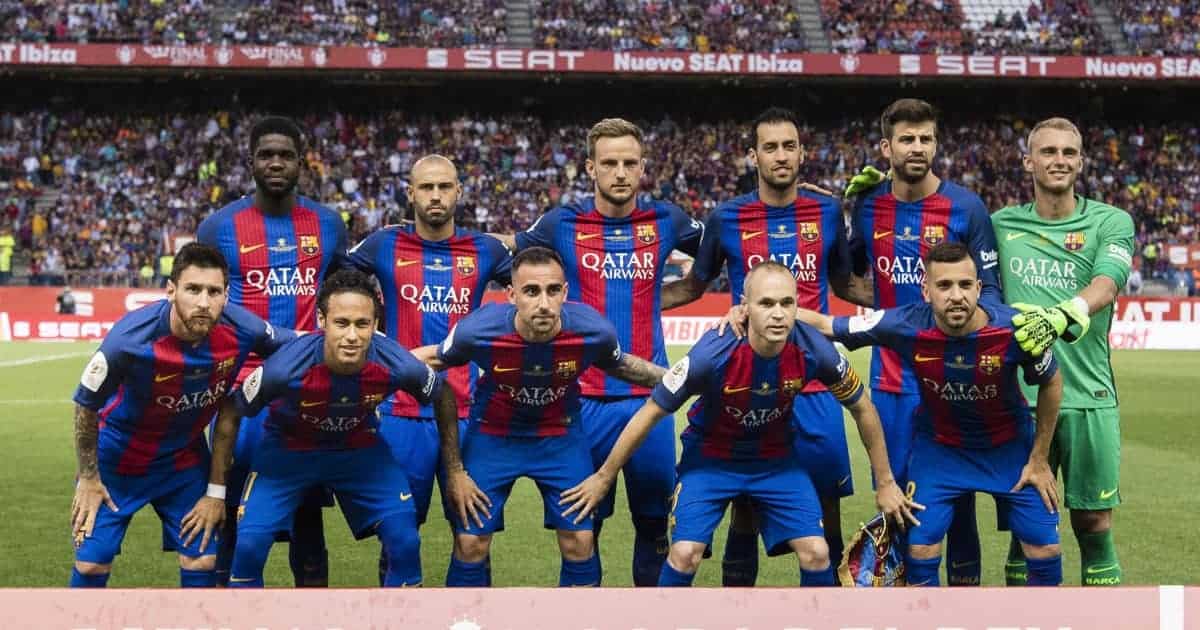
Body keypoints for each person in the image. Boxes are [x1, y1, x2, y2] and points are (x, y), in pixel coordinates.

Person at [562, 261, 916, 587]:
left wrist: (885, 482)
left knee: (817, 552)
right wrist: (604, 476)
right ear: (745, 306)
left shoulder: (815, 349)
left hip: (776, 462)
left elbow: (863, 407)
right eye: (766, 304)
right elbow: (652, 411)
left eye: (787, 303)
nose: (778, 314)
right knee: (684, 554)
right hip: (710, 461)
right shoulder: (712, 353)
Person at [496, 119, 703, 585]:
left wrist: (661, 297)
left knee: (654, 526)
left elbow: (723, 249)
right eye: (609, 163)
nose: (620, 173)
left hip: (651, 400)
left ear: (643, 167)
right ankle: (585, 613)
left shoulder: (667, 221)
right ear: (590, 168)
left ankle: (650, 614)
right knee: (581, 528)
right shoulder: (561, 223)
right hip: (581, 401)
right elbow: (507, 252)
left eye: (630, 163)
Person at [661, 107, 863, 585]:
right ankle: (741, 609)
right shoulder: (726, 217)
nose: (780, 155)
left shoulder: (827, 212)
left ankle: (829, 609)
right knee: (745, 509)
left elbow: (847, 285)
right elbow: (693, 286)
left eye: (789, 146)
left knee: (826, 511)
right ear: (753, 156)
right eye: (770, 147)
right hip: (749, 379)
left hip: (815, 380)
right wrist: (626, 300)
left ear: (802, 153)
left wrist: (914, 306)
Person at [798, 242, 1065, 586]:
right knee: (921, 548)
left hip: (1009, 450)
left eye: (965, 285)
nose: (956, 296)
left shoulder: (1015, 328)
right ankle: (927, 613)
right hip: (940, 450)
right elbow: (828, 324)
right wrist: (754, 311)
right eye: (944, 286)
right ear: (926, 290)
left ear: (979, 288)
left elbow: (1052, 381)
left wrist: (1040, 458)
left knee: (1045, 550)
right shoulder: (904, 323)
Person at [424, 246, 667, 587]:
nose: (543, 303)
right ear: (511, 295)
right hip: (493, 437)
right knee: (470, 543)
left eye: (553, 291)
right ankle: (466, 614)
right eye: (531, 291)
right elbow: (432, 359)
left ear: (565, 292)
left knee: (580, 541)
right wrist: (376, 364)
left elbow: (624, 366)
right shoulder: (477, 330)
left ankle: (576, 615)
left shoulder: (593, 330)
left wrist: (688, 377)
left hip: (560, 437)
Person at [68, 243, 293, 588]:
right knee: (90, 565)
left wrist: (371, 343)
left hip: (182, 461)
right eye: (193, 289)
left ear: (226, 295)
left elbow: (299, 345)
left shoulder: (243, 328)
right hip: (117, 459)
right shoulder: (128, 340)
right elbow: (86, 403)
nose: (203, 302)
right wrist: (88, 477)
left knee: (202, 558)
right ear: (171, 290)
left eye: (213, 292)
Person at [843, 98, 1002, 586]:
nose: (917, 147)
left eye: (926, 138)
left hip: (953, 384)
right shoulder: (869, 206)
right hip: (890, 384)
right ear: (886, 146)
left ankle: (965, 604)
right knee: (895, 501)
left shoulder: (967, 208)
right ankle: (903, 602)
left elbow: (991, 294)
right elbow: (848, 277)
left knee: (958, 502)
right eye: (907, 139)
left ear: (936, 144)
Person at [223, 269, 451, 587]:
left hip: (359, 449)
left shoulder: (397, 363)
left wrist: (456, 471)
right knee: (249, 545)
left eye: (362, 324)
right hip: (287, 451)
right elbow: (232, 409)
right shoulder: (285, 367)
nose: (352, 336)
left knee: (405, 541)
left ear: (375, 324)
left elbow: (442, 394)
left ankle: (401, 612)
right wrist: (215, 490)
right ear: (322, 321)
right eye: (342, 323)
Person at [197, 115, 348, 587]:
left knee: (307, 521)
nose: (276, 163)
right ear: (251, 162)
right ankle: (227, 609)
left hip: (307, 392)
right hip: (240, 396)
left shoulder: (328, 224)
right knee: (229, 515)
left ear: (302, 162)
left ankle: (312, 611)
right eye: (266, 155)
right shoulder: (219, 227)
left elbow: (342, 295)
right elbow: (207, 303)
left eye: (285, 155)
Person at [346, 154, 511, 584]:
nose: (435, 196)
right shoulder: (383, 245)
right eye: (426, 187)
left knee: (474, 537)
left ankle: (469, 613)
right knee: (398, 537)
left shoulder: (486, 250)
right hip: (401, 414)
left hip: (468, 414)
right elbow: (333, 282)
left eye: (444, 187)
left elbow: (536, 288)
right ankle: (399, 611)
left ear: (459, 191)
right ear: (410, 193)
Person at [992, 117, 1135, 586]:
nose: (1059, 160)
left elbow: (1107, 283)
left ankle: (1104, 617)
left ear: (1081, 162)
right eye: (1048, 151)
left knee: (1094, 524)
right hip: (1020, 401)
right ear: (1028, 161)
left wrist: (1063, 314)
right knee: (1026, 530)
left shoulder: (1110, 221)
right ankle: (1026, 618)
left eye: (1069, 152)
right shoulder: (1000, 225)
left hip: (1089, 397)